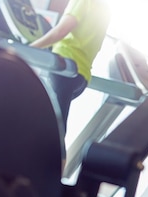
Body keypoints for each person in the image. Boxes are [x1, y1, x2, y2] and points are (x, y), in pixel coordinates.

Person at [29, 0, 110, 133]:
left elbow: (61, 31)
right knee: (51, 122)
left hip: (64, 68)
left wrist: (30, 49)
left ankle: (50, 153)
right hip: (81, 77)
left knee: (52, 127)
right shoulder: (105, 8)